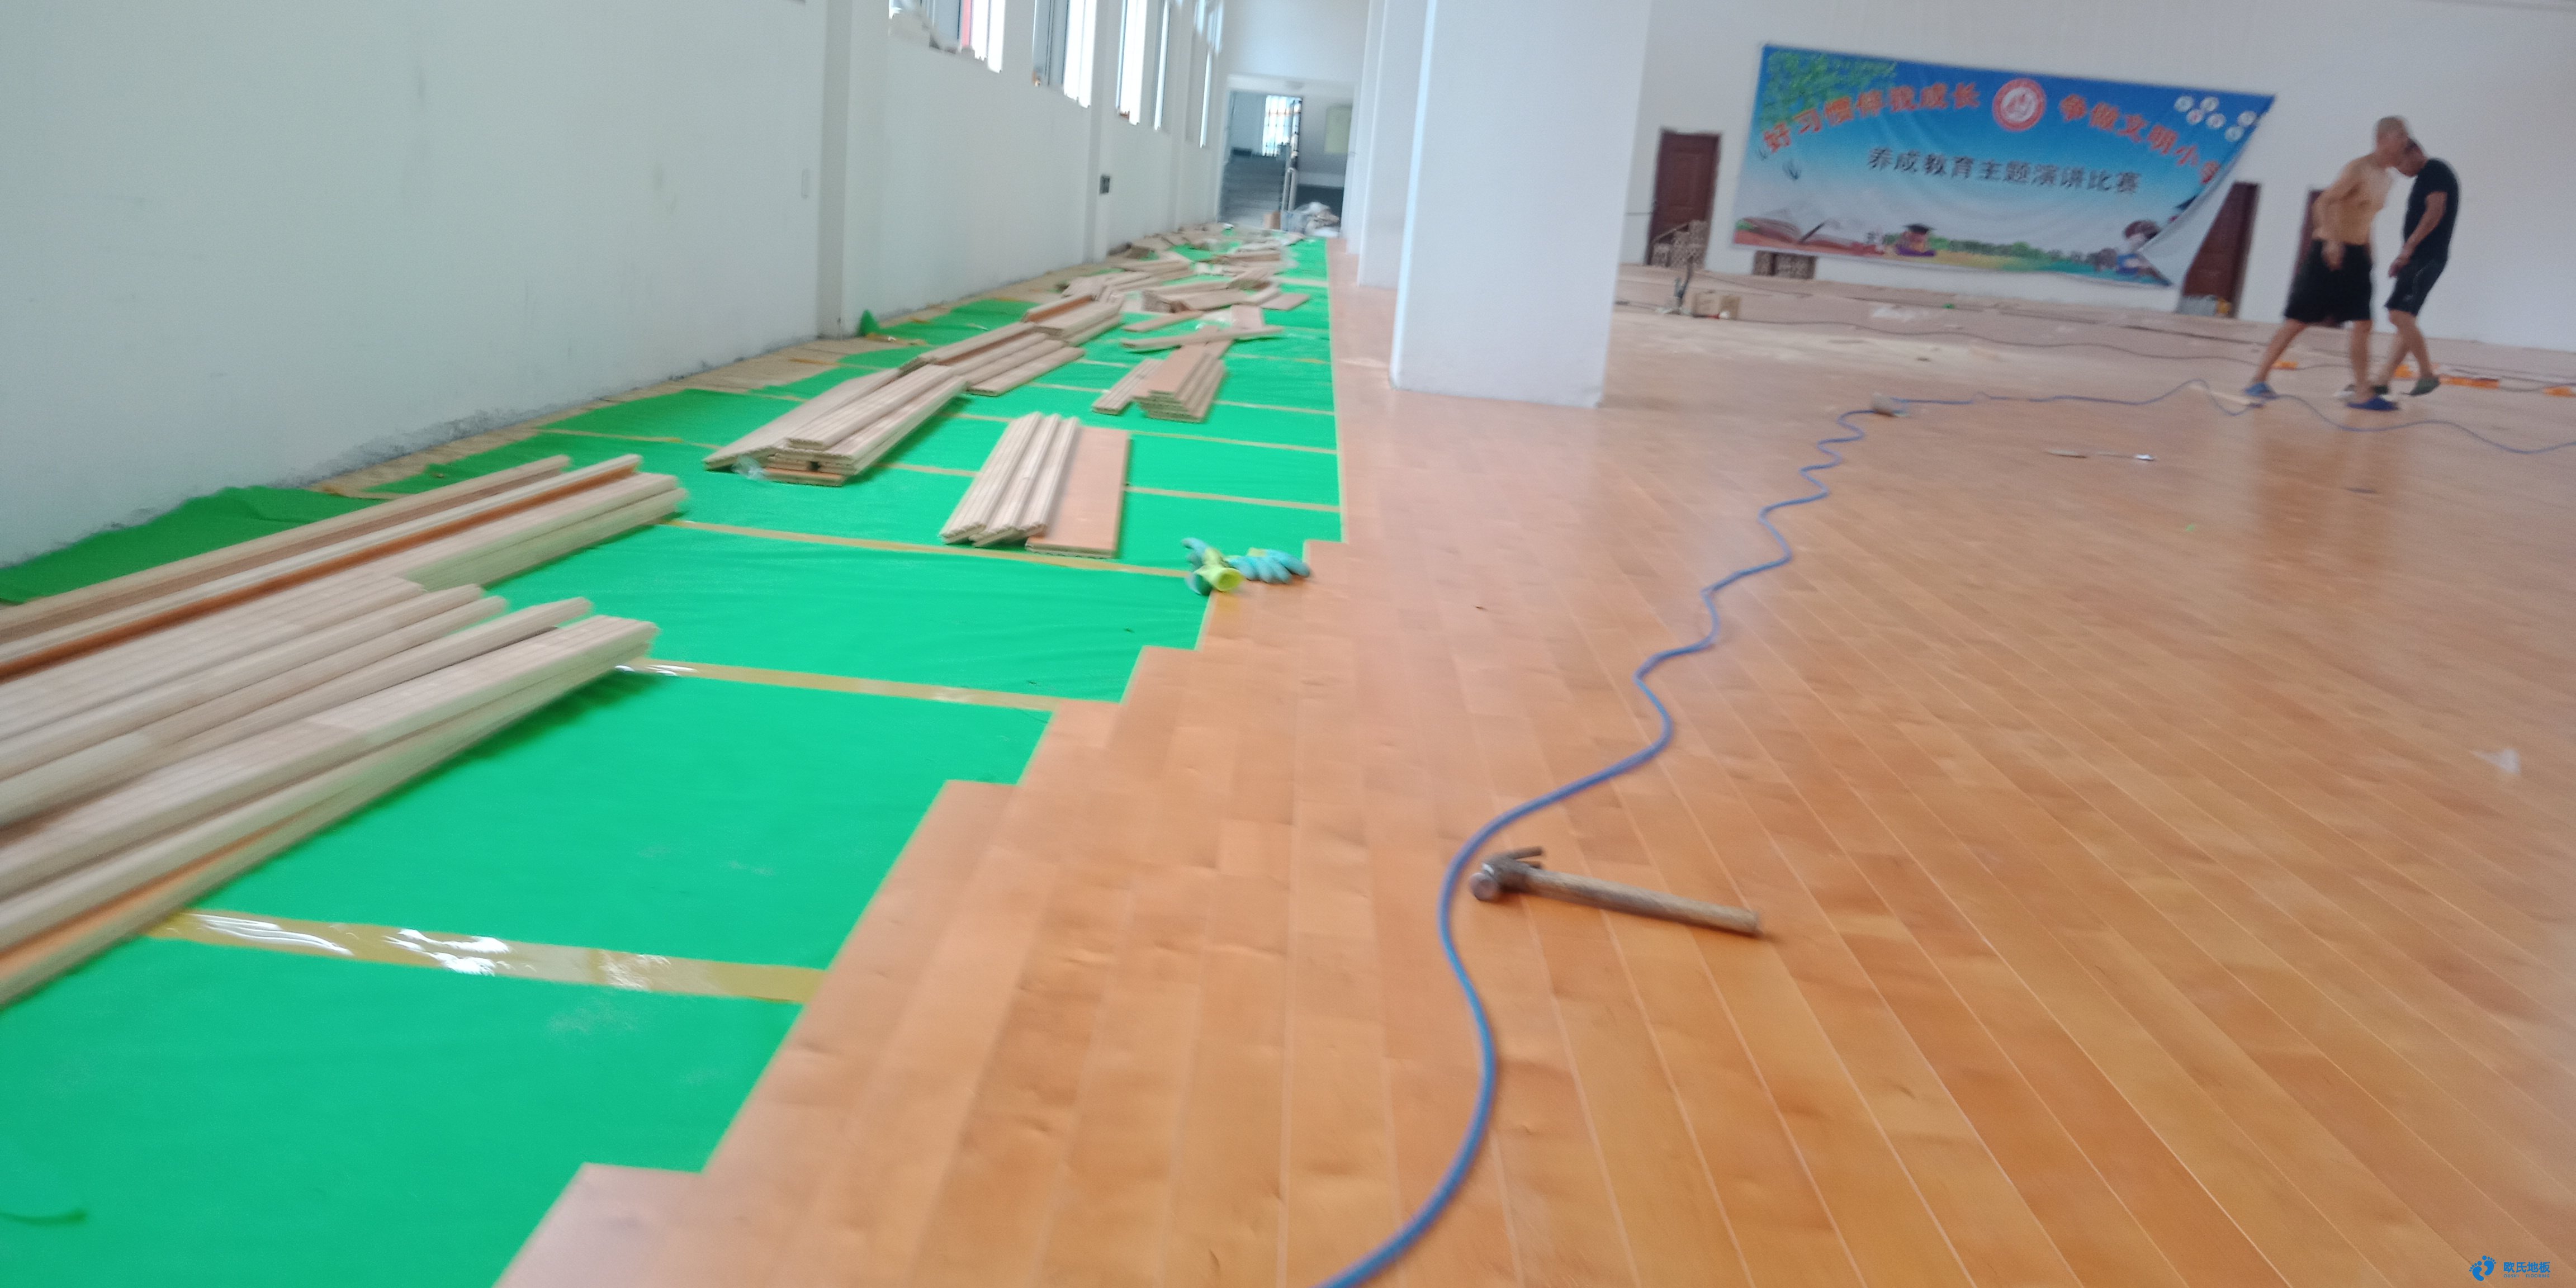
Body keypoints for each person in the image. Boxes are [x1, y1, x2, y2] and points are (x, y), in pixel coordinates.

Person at [2245, 116, 2410, 411]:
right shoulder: (2358, 169)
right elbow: (2324, 202)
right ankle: (2258, 379)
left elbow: (2364, 216)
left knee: (2364, 322)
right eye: (2400, 136)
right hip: (2329, 254)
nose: (2405, 142)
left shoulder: (2387, 179)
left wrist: (2369, 248)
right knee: (2298, 321)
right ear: (2382, 139)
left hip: (2357, 256)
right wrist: (2333, 241)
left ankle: (2362, 392)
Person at [2371, 138, 2457, 397]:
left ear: (2416, 152)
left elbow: (2435, 212)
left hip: (2426, 257)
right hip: (2420, 258)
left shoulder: (2435, 170)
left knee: (2398, 315)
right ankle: (2383, 379)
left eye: (2400, 163)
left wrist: (2408, 249)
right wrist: (2404, 256)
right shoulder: (2426, 176)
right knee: (2406, 318)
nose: (2400, 170)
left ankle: (2427, 374)